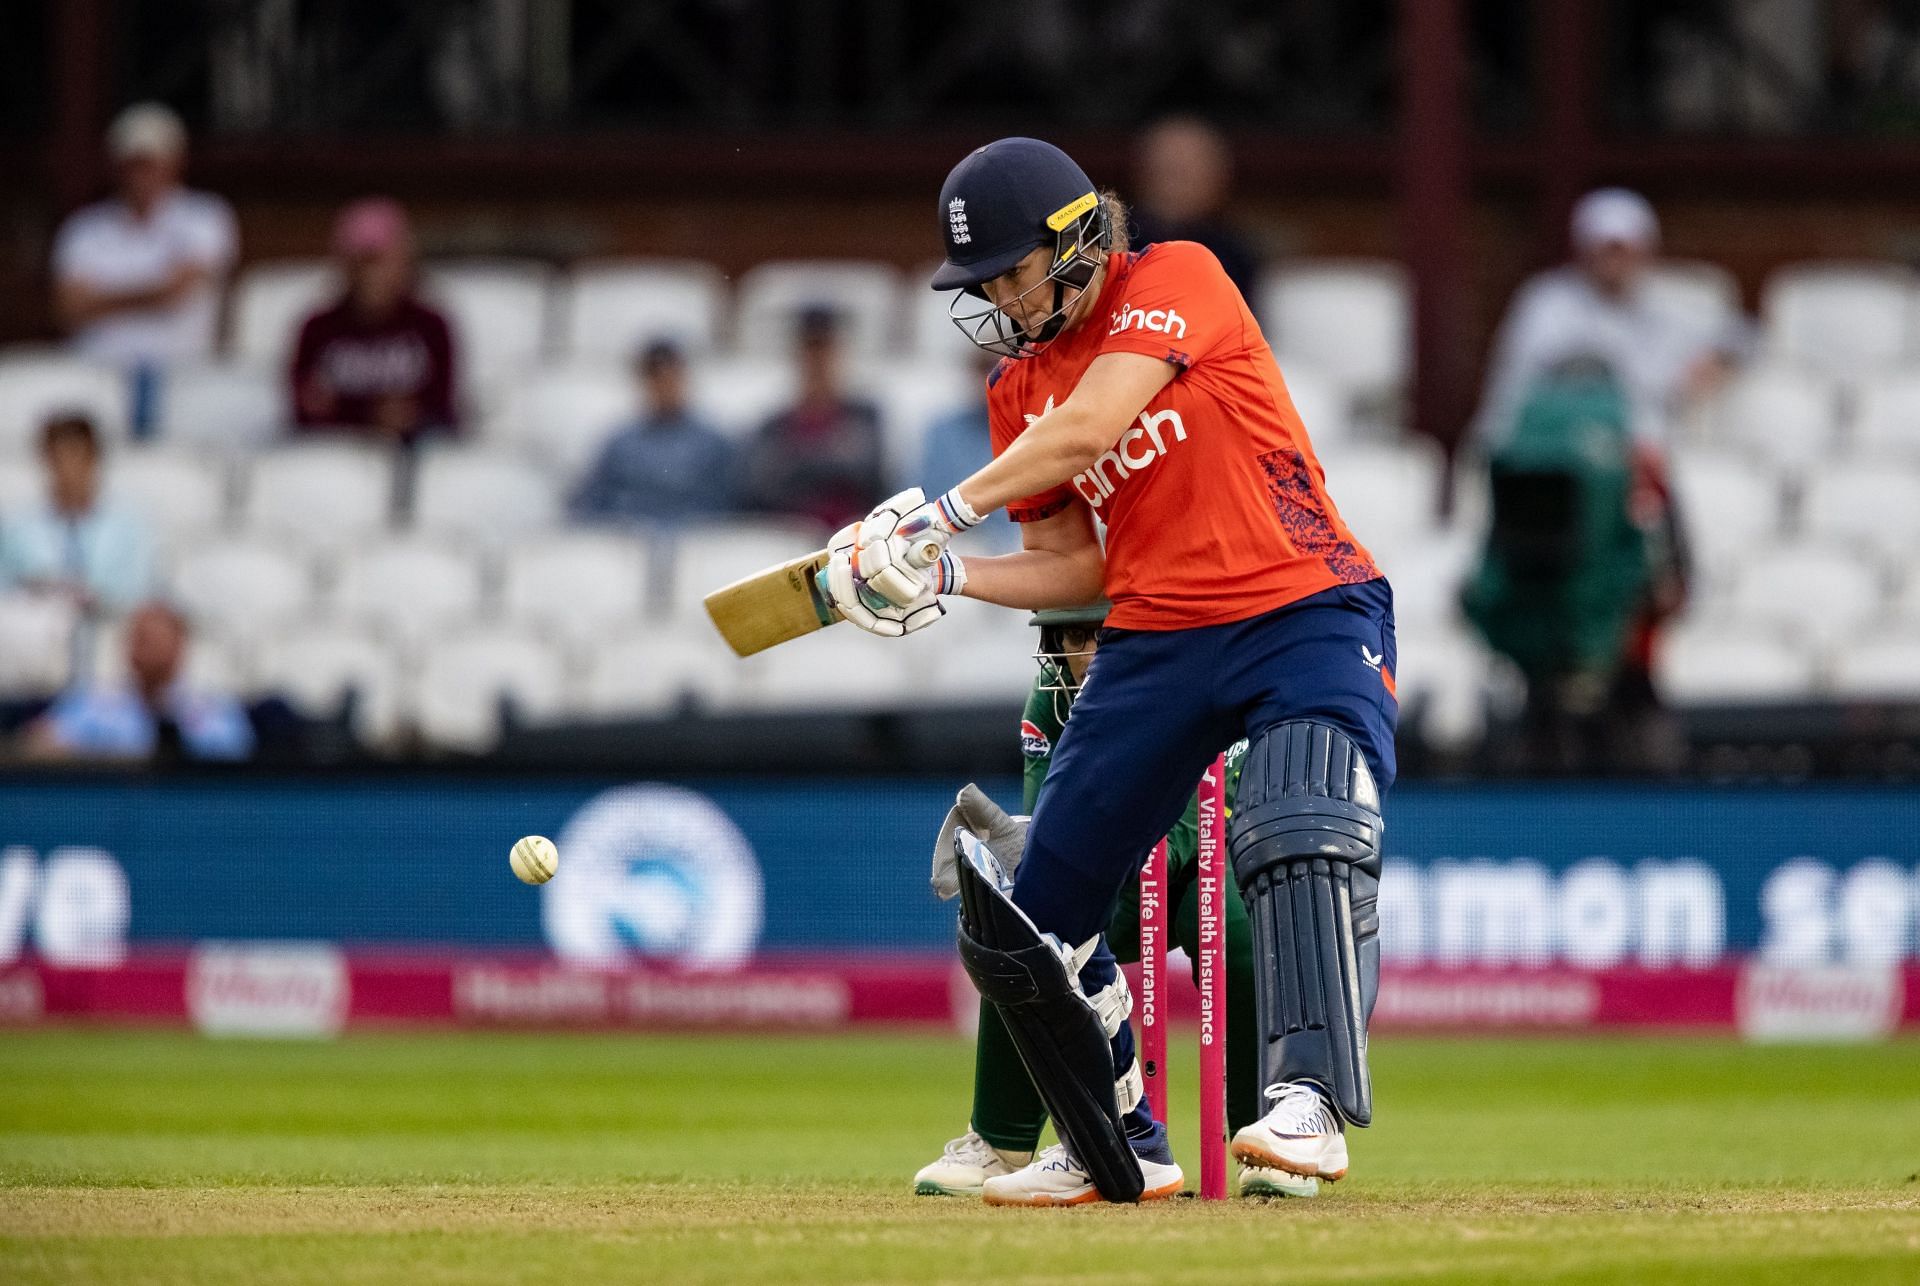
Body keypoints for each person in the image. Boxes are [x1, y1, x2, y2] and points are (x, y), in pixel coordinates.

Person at [814, 138, 1397, 1205]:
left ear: (1075, 240)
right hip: (1158, 638)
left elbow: (1095, 422)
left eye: (1008, 269)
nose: (996, 296)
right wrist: (938, 572)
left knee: (1299, 812)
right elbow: (1073, 564)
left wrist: (940, 509)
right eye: (979, 281)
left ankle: (1305, 1105)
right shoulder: (1016, 390)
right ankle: (1112, 1141)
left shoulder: (1177, 278)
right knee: (1028, 914)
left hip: (1302, 603)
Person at [913, 604, 1315, 1201]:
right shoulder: (1050, 700)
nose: (1092, 653)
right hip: (1109, 874)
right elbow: (1049, 828)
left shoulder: (1197, 676)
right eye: (1077, 637)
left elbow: (1206, 827)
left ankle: (1269, 1140)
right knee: (1022, 922)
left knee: (1243, 935)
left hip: (1203, 863)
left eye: (1106, 634)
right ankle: (1001, 1143)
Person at [51, 102, 239, 432]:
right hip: (97, 376)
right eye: (131, 164)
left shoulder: (206, 217)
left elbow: (175, 294)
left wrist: (102, 300)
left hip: (182, 379)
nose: (140, 174)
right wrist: (152, 290)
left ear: (175, 161)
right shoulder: (85, 228)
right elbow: (69, 307)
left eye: (149, 163)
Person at [290, 198, 459, 441]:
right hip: (340, 456)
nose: (371, 273)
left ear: (404, 259)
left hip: (412, 454)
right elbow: (303, 409)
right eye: (362, 261)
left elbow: (443, 409)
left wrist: (407, 416)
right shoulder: (318, 329)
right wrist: (373, 416)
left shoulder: (431, 327)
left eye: (380, 259)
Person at [18, 600, 254, 764]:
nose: (144, 650)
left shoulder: (212, 709)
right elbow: (41, 744)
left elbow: (236, 756)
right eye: (138, 639)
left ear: (180, 647)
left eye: (156, 641)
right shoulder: (96, 703)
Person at [736, 306, 884, 528]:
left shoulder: (865, 417)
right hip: (788, 542)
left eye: (824, 351)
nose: (816, 362)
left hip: (855, 542)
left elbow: (870, 479)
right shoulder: (774, 426)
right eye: (809, 351)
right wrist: (832, 462)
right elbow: (759, 491)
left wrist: (798, 464)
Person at [0, 414, 155, 619]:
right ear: (44, 461)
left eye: (77, 456)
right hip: (38, 639)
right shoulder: (16, 528)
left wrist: (85, 597)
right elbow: (6, 593)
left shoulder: (130, 526)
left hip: (111, 633)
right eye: (58, 459)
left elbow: (138, 593)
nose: (68, 470)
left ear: (94, 458)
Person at [568, 339, 736, 525]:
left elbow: (729, 508)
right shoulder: (620, 445)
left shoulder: (713, 444)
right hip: (626, 544)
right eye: (656, 379)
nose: (664, 388)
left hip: (701, 545)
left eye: (671, 379)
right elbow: (591, 504)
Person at [1127, 116, 1261, 301]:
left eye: (1185, 171)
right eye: (1168, 168)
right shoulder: (1114, 248)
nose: (1175, 181)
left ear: (1219, 176)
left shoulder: (1236, 258)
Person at [917, 354, 1019, 553]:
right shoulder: (944, 430)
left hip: (1016, 542)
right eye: (985, 370)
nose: (992, 380)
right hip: (953, 541)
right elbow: (924, 498)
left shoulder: (1030, 428)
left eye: (1002, 371)